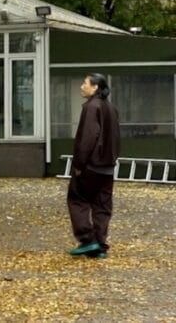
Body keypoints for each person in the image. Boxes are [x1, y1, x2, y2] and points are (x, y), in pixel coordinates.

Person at [66, 72, 120, 259]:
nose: (82, 86)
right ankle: (99, 244)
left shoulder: (91, 107)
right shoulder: (111, 108)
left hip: (91, 165)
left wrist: (79, 164)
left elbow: (88, 138)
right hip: (107, 166)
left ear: (95, 87)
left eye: (85, 83)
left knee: (77, 199)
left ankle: (88, 240)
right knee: (102, 205)